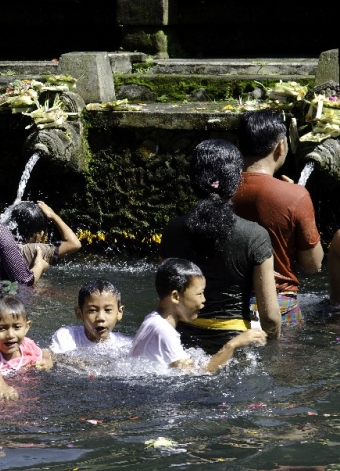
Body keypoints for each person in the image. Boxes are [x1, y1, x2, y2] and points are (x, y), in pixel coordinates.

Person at [162, 139, 280, 354]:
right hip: (236, 345)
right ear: (236, 179)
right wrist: (273, 347)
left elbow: (165, 299)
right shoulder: (254, 235)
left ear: (194, 180)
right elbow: (270, 317)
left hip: (180, 345)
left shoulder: (173, 230)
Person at [233, 110, 323, 324]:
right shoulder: (294, 195)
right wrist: (299, 203)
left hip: (225, 303)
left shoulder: (219, 189)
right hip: (278, 303)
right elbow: (313, 264)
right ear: (280, 146)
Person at [130, 258, 267, 373]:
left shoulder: (152, 319)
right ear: (176, 296)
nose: (203, 300)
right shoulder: (164, 331)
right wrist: (232, 345)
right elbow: (198, 375)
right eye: (199, 294)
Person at [0, 296, 53, 400]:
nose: (10, 335)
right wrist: (1, 385)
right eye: (1, 328)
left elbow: (45, 352)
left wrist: (48, 361)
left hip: (26, 394)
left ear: (26, 327)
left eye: (17, 327)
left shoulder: (27, 345)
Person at [49, 278, 131, 354]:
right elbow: (59, 359)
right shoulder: (67, 336)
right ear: (79, 314)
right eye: (92, 310)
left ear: (119, 312)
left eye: (108, 310)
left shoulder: (125, 346)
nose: (101, 318)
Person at [9, 200, 81, 275]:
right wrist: (53, 215)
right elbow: (74, 244)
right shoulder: (34, 250)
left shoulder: (3, 240)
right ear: (38, 235)